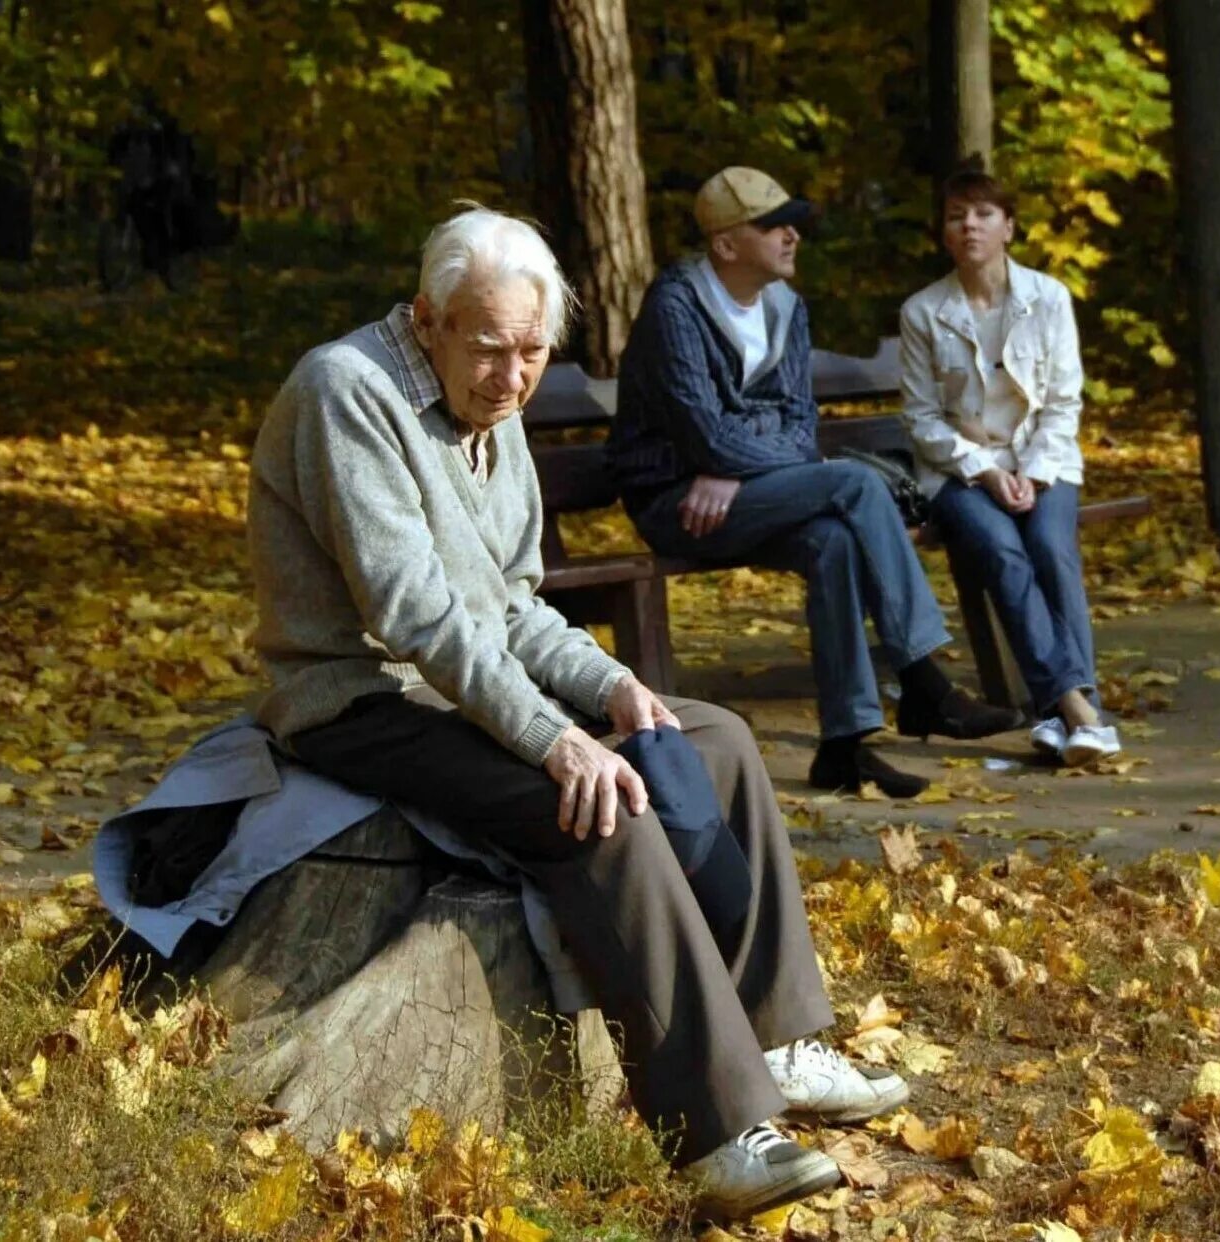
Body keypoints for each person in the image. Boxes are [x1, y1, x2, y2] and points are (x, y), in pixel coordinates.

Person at [246, 203, 909, 1222]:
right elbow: (414, 613)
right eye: (491, 348)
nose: (513, 378)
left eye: (532, 351)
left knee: (713, 741)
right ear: (428, 319)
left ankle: (775, 1037)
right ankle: (719, 1131)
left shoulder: (489, 415)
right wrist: (556, 737)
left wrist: (607, 690)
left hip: (457, 679)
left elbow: (513, 606)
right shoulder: (348, 391)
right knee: (600, 808)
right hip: (362, 697)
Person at [608, 166, 1019, 799]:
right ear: (725, 245)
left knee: (832, 540)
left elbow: (800, 428)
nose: (792, 236)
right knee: (853, 484)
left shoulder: (786, 308)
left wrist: (731, 466)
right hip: (676, 502)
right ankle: (925, 682)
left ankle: (844, 746)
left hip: (741, 492)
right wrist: (725, 458)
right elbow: (706, 436)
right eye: (773, 226)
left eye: (793, 223)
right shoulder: (677, 308)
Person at [898, 169, 1121, 767]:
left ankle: (1058, 712)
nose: (968, 225)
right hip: (958, 471)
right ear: (944, 233)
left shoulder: (1048, 298)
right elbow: (922, 419)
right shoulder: (923, 311)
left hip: (1043, 462)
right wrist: (988, 472)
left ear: (1009, 228)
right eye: (955, 216)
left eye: (982, 214)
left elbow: (1064, 401)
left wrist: (1036, 473)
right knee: (1002, 552)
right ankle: (1082, 712)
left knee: (1050, 546)